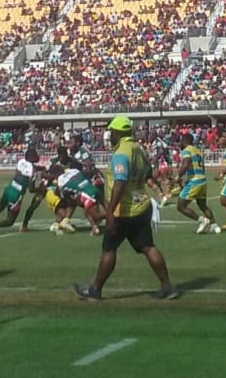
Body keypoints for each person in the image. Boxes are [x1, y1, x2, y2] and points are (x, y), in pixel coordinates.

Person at [74, 116, 177, 300]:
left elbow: (120, 183)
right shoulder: (138, 149)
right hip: (142, 205)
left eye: (111, 131)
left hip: (124, 211)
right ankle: (167, 285)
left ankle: (95, 290)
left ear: (118, 133)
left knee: (109, 248)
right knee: (148, 247)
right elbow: (148, 173)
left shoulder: (121, 153)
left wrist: (111, 212)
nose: (109, 135)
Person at [0, 148, 44, 236]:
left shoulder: (21, 162)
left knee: (0, 207)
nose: (37, 156)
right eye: (36, 155)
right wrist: (41, 189)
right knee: (10, 221)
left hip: (9, 188)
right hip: (17, 195)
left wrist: (41, 168)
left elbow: (27, 168)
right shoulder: (33, 171)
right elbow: (31, 189)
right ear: (32, 157)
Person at [174, 133, 221, 234]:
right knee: (203, 206)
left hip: (195, 182)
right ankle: (215, 226)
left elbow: (186, 164)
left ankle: (203, 220)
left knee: (181, 206)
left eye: (181, 141)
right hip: (202, 180)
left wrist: (178, 176)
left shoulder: (186, 151)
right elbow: (200, 167)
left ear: (185, 141)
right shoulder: (197, 151)